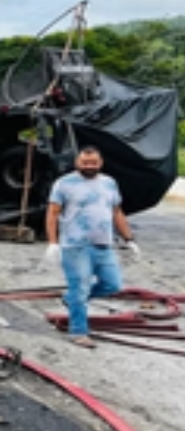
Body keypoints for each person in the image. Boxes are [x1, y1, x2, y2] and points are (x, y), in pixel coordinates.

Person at [44, 145, 140, 349]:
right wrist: (53, 243)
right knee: (80, 288)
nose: (89, 166)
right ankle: (78, 332)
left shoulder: (109, 183)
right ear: (77, 162)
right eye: (85, 162)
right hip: (75, 246)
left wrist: (129, 239)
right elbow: (52, 213)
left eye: (94, 163)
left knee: (113, 285)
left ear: (101, 163)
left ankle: (70, 300)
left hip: (103, 244)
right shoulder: (64, 184)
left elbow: (116, 212)